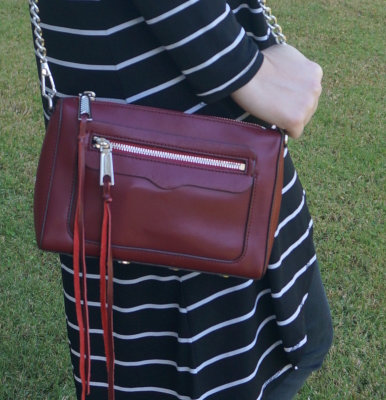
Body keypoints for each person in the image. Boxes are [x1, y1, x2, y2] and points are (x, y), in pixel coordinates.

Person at [31, 1, 333, 399]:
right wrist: (259, 72)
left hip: (131, 177)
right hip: (197, 190)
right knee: (269, 362)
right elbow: (283, 98)